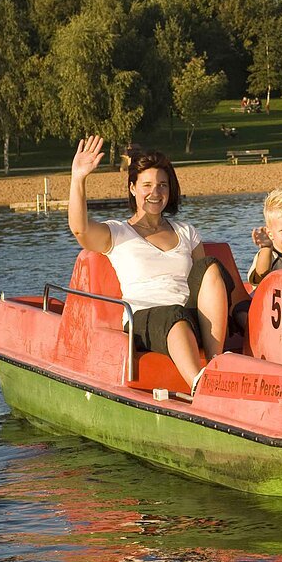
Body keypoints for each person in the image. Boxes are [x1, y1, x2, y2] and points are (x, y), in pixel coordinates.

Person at [68, 136, 247, 391]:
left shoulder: (187, 232)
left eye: (163, 185)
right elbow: (80, 230)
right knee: (173, 315)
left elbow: (203, 281)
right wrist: (78, 178)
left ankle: (215, 361)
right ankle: (200, 385)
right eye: (147, 185)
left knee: (209, 266)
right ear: (132, 188)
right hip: (143, 320)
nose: (155, 192)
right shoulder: (116, 233)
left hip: (187, 317)